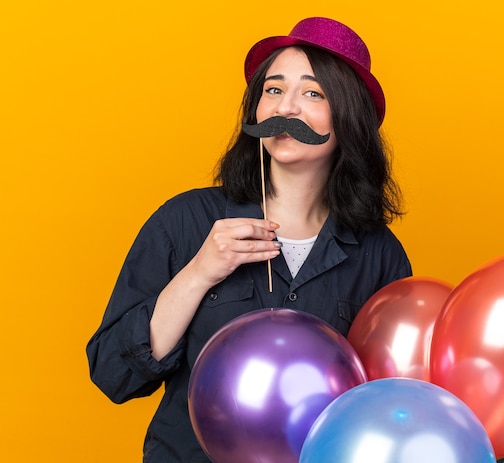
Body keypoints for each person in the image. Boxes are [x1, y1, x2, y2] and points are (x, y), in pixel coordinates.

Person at [87, 16, 412, 462]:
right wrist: (199, 273)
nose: (286, 109)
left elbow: (388, 405)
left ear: (349, 117)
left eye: (312, 93)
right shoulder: (184, 220)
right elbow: (112, 373)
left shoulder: (380, 255)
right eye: (274, 90)